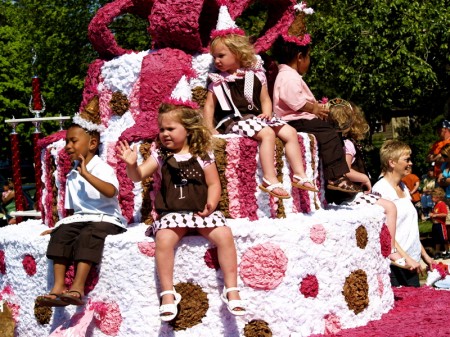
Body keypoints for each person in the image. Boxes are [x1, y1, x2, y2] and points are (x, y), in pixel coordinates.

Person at [117, 103, 245, 321]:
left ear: (188, 129)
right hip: (173, 214)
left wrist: (211, 204)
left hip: (200, 212)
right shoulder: (160, 155)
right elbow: (138, 175)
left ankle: (231, 288)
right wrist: (131, 164)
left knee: (224, 235)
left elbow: (214, 184)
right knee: (164, 239)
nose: (165, 134)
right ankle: (167, 293)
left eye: (171, 129)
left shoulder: (202, 154)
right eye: (162, 129)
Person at [203, 32, 317, 200]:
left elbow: (265, 98)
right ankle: (269, 178)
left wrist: (266, 112)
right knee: (267, 134)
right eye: (214, 57)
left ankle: (299, 174)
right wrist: (210, 128)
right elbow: (209, 107)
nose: (217, 61)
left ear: (238, 53)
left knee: (290, 132)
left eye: (221, 56)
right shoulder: (219, 81)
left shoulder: (255, 76)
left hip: (257, 118)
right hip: (235, 119)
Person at [38, 120, 127, 307]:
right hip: (83, 218)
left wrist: (87, 174)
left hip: (106, 218)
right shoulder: (73, 173)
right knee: (61, 234)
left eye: (73, 141)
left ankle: (77, 287)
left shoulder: (101, 168)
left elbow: (111, 191)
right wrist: (60, 225)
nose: (68, 146)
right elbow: (78, 210)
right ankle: (58, 286)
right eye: (67, 142)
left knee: (89, 234)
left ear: (92, 144)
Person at [271, 36, 361, 196]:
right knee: (329, 133)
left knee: (330, 132)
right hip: (295, 120)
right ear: (300, 57)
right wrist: (313, 108)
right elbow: (291, 98)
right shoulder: (288, 76)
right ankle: (335, 176)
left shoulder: (288, 75)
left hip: (298, 119)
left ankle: (335, 173)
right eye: (308, 56)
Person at [325, 100, 405, 267]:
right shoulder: (348, 145)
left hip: (348, 193)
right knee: (390, 207)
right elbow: (346, 170)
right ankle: (390, 248)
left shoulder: (340, 143)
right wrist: (365, 178)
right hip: (349, 194)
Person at [372, 140, 434, 287]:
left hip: (411, 263)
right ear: (392, 162)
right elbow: (386, 233)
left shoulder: (403, 187)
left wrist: (425, 256)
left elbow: (409, 228)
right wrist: (406, 259)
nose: (411, 163)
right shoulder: (380, 190)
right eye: (407, 159)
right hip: (396, 266)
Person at [429, 187, 449, 259]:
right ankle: (437, 252)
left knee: (443, 239)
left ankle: (447, 251)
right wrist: (431, 215)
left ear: (438, 197)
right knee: (436, 239)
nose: (431, 198)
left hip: (440, 224)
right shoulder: (436, 204)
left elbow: (445, 214)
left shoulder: (442, 204)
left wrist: (435, 215)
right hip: (435, 224)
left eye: (432, 197)